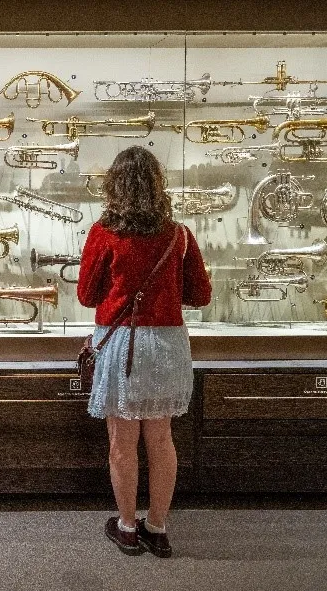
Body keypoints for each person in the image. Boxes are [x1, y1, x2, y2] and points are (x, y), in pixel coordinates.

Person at [76, 146, 211, 559]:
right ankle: (157, 527)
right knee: (161, 439)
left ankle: (127, 527)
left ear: (114, 185)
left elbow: (86, 295)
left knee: (122, 441)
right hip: (167, 344)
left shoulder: (104, 233)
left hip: (123, 343)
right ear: (157, 185)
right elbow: (201, 295)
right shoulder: (179, 235)